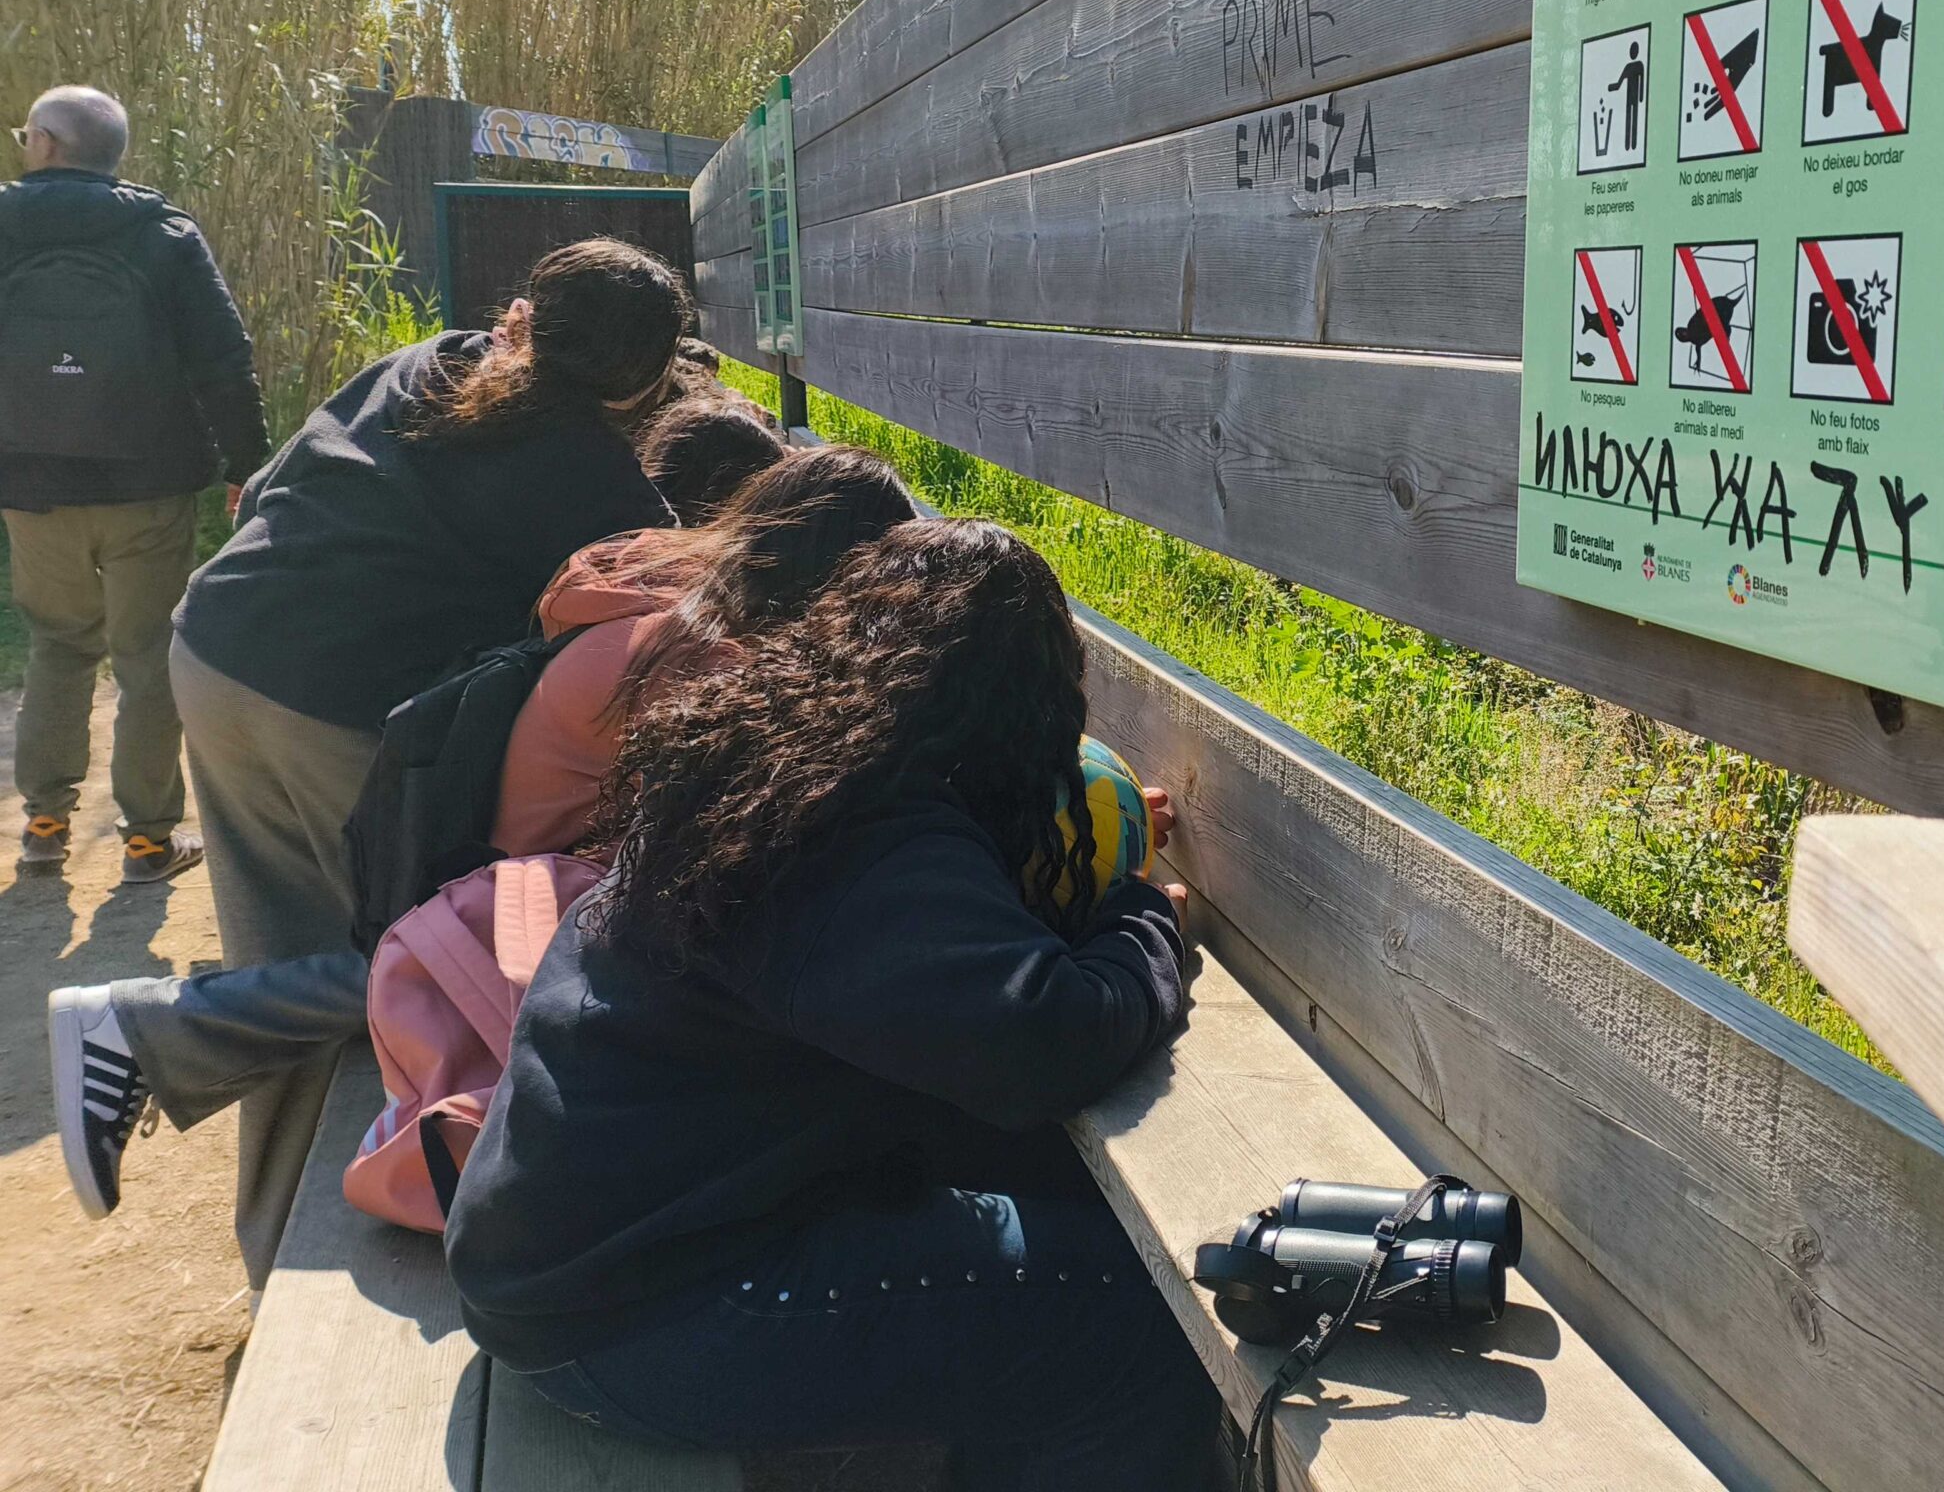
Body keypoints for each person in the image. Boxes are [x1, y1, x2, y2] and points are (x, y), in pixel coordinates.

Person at [446, 519, 1221, 1488]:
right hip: (636, 1313)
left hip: (570, 1257)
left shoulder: (768, 763)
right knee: (1136, 1321)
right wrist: (1145, 920)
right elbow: (1047, 1043)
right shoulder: (871, 840)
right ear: (1028, 708)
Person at [44, 401, 809, 1230]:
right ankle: (155, 1025)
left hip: (430, 807)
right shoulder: (683, 644)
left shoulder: (624, 573)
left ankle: (161, 1030)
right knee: (433, 965)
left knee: (409, 958)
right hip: (490, 879)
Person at [114, 238, 687, 1284]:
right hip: (338, 707)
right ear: (651, 381)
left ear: (523, 314)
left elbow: (268, 487)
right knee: (431, 955)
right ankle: (157, 1033)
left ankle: (268, 1248)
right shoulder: (594, 478)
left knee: (284, 945)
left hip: (217, 643)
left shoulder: (430, 359)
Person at [2, 85, 269, 882]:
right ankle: (150, 840)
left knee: (58, 642)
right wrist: (247, 465)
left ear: (46, 143)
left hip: (31, 483)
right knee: (147, 653)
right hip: (148, 483)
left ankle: (44, 824)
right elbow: (224, 359)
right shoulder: (162, 232)